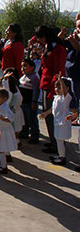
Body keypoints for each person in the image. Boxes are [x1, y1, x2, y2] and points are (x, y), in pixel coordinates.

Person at [35, 25, 67, 154]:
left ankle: (57, 144)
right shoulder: (49, 47)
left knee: (52, 115)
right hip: (45, 84)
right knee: (48, 117)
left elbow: (58, 69)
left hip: (52, 86)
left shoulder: (58, 49)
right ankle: (53, 141)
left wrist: (56, 88)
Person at [39, 77, 76, 165]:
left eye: (59, 87)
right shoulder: (57, 97)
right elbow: (53, 109)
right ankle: (60, 155)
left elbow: (64, 92)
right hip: (57, 122)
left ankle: (62, 158)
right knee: (58, 140)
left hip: (63, 123)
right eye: (56, 87)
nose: (57, 89)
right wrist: (46, 113)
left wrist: (61, 80)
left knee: (60, 141)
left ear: (67, 88)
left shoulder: (66, 97)